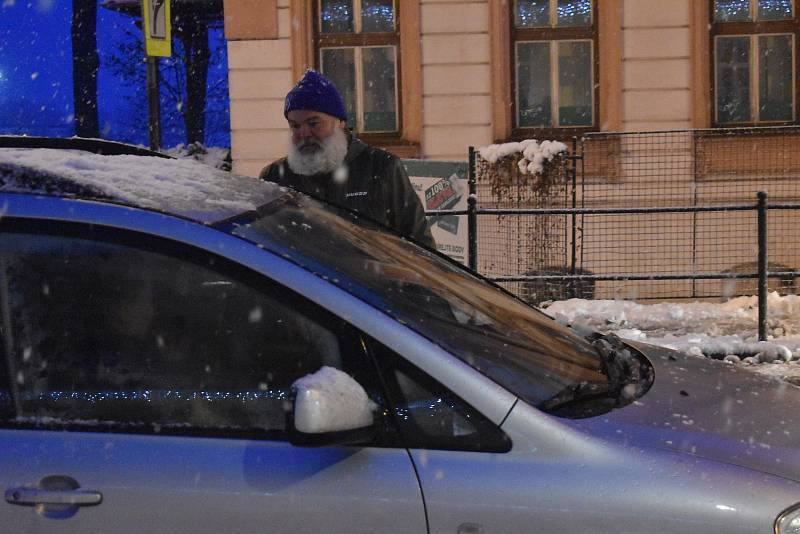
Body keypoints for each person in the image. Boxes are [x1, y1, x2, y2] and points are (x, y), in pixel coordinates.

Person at [260, 70, 435, 248]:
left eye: (313, 123)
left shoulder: (382, 168)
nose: (303, 134)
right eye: (295, 126)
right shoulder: (275, 177)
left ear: (340, 123)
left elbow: (420, 246)